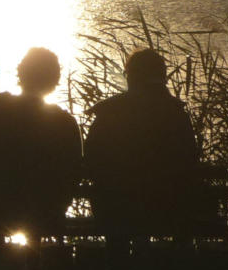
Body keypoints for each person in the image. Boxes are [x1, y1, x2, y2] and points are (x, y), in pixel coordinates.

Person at [0, 47, 82, 242]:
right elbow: (74, 173)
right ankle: (34, 269)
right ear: (54, 81)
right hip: (46, 217)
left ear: (21, 73)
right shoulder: (64, 122)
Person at [85, 47, 199, 241]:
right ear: (162, 77)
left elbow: (90, 162)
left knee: (118, 213)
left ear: (131, 76)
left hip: (114, 212)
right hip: (166, 211)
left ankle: (117, 268)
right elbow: (189, 162)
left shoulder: (109, 112)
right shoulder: (176, 114)